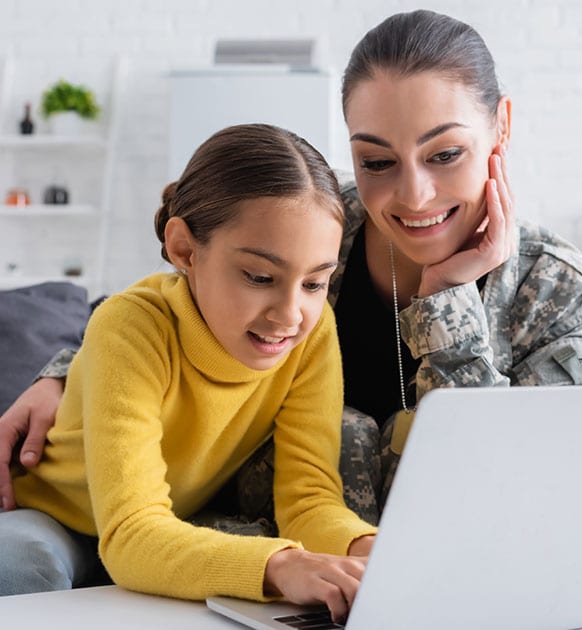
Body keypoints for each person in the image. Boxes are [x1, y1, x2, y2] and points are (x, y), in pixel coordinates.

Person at [0, 10, 582, 528]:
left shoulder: (556, 290)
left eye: (445, 154)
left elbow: (520, 488)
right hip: (247, 543)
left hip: (443, 562)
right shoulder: (315, 221)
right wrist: (60, 375)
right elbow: (176, 301)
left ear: (501, 125)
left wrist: (447, 298)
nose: (414, 195)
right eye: (375, 161)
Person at [0, 123, 377, 621]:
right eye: (259, 277)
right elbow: (131, 531)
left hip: (165, 527)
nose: (290, 313)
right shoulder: (130, 324)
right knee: (21, 565)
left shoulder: (312, 333)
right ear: (184, 250)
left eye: (314, 282)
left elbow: (308, 498)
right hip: (53, 515)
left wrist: (368, 550)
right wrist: (280, 566)